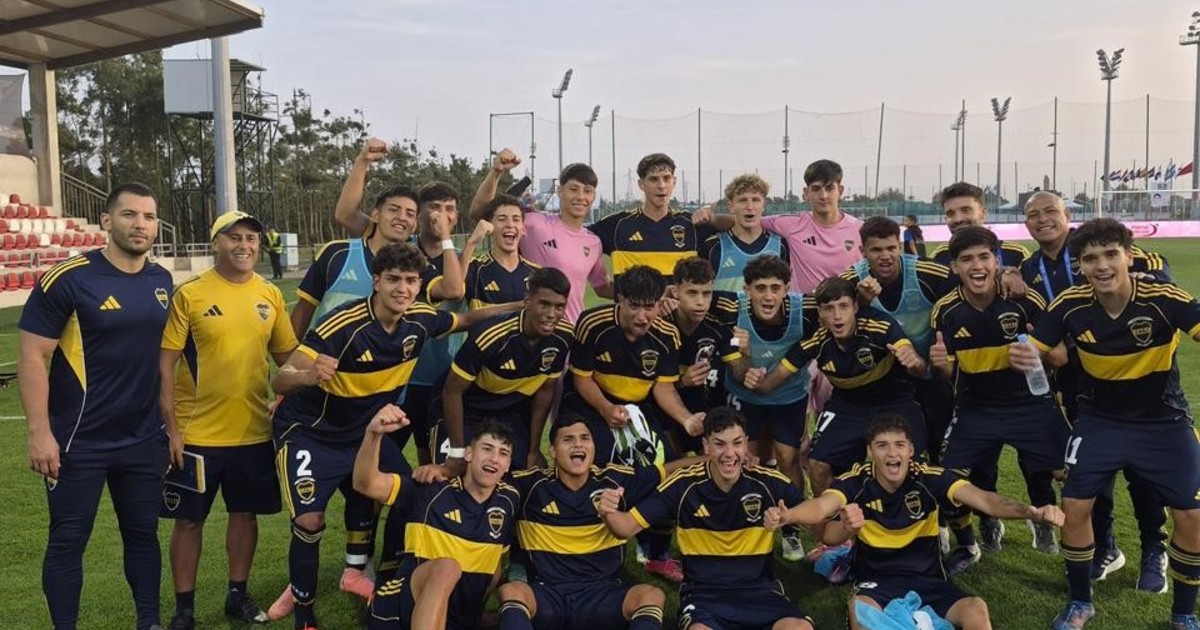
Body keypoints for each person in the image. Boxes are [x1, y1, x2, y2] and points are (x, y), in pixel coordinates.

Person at [268, 242, 513, 629]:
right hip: (311, 433)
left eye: (411, 281)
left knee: (410, 494)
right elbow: (280, 378)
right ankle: (304, 615)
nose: (402, 288)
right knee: (310, 521)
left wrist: (520, 307)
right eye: (394, 279)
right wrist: (308, 375)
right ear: (376, 282)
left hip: (362, 433)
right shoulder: (341, 325)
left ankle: (386, 580)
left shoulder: (420, 319)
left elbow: (465, 320)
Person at [1013, 218, 1200, 630]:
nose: (1101, 266)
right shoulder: (1070, 303)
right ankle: (1080, 602)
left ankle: (1184, 613)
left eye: (1111, 254)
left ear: (1129, 256)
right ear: (1079, 265)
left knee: (1192, 515)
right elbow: (1037, 347)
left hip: (1164, 421)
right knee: (1075, 506)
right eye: (1090, 258)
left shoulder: (1162, 297)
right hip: (1100, 421)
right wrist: (1027, 356)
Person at [18, 182, 173, 630]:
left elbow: (166, 361)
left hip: (142, 438)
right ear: (106, 221)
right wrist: (40, 432)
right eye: (129, 214)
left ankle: (149, 622)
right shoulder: (68, 278)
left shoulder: (162, 280)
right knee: (68, 541)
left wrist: (169, 426)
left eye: (148, 216)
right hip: (77, 442)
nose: (140, 224)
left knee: (143, 535)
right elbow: (32, 355)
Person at [764, 414, 1065, 630]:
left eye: (899, 445)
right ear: (870, 452)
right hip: (878, 582)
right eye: (882, 445)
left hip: (929, 580)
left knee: (976, 609)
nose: (892, 453)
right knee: (859, 610)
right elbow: (821, 507)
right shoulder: (856, 481)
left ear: (910, 450)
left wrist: (1032, 512)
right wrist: (789, 516)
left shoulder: (930, 478)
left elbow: (985, 500)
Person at [1020, 191, 1171, 586]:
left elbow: (1155, 266)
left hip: (1131, 375)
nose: (1043, 219)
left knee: (1141, 468)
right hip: (1076, 382)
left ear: (1067, 214)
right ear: (1026, 223)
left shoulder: (1097, 248)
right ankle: (1106, 547)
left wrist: (1149, 280)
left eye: (1050, 211)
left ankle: (1154, 549)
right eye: (1033, 215)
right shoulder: (1029, 267)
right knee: (1090, 469)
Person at [158, 211, 299, 629]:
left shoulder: (269, 294)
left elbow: (287, 358)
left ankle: (237, 596)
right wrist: (171, 429)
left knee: (245, 516)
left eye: (251, 238)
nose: (244, 245)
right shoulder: (190, 294)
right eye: (234, 237)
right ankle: (184, 609)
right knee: (188, 521)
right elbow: (164, 366)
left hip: (253, 432)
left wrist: (311, 375)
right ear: (216, 242)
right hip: (196, 434)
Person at [596, 406, 815, 630]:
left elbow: (818, 519)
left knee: (799, 628)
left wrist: (790, 516)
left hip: (760, 592)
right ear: (706, 446)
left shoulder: (767, 482)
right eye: (719, 444)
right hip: (705, 597)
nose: (729, 453)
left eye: (737, 443)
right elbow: (625, 528)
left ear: (746, 444)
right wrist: (608, 510)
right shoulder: (683, 485)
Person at [930, 226, 1070, 575]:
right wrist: (940, 364)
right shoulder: (945, 310)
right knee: (948, 480)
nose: (976, 266)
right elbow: (949, 372)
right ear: (955, 267)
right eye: (966, 259)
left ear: (997, 261)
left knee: (1074, 477)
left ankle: (1087, 551)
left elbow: (1061, 357)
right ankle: (969, 544)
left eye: (984, 257)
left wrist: (1037, 354)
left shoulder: (1025, 300)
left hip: (1031, 405)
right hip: (976, 408)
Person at [497, 414, 708, 630]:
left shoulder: (615, 480)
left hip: (603, 596)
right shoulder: (530, 485)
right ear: (553, 451)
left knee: (650, 595)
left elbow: (671, 471)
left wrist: (715, 460)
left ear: (593, 446)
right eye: (568, 439)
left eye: (585, 438)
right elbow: (487, 482)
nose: (578, 444)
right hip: (548, 595)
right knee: (512, 591)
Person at [563, 264, 705, 582]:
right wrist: (605, 408)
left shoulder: (667, 334)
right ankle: (586, 550)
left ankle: (657, 554)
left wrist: (686, 420)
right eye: (634, 306)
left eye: (650, 307)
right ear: (620, 300)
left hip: (639, 409)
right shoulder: (592, 323)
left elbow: (663, 388)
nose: (643, 316)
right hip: (589, 404)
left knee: (668, 471)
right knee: (589, 466)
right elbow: (582, 379)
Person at [747, 276, 928, 501]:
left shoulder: (880, 325)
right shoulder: (815, 341)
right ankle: (834, 522)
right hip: (847, 405)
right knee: (818, 464)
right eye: (829, 308)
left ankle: (909, 515)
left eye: (843, 306)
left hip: (894, 400)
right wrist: (751, 373)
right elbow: (769, 384)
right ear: (820, 313)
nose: (837, 315)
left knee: (913, 463)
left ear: (855, 307)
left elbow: (918, 367)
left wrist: (914, 362)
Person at [929, 181, 1034, 554]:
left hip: (1013, 376)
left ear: (983, 212)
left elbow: (1033, 303)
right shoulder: (939, 258)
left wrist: (1012, 272)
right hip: (959, 373)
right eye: (951, 213)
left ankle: (991, 516)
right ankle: (946, 523)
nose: (958, 218)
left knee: (997, 458)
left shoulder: (1016, 254)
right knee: (947, 451)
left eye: (965, 210)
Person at [352, 408, 519, 630]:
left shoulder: (508, 501)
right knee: (447, 568)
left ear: (508, 465)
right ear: (468, 454)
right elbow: (365, 483)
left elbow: (495, 569)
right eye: (486, 448)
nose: (494, 459)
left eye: (503, 453)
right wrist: (373, 434)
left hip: (457, 619)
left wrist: (477, 615)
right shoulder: (431, 488)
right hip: (398, 611)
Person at [721, 254, 818, 561]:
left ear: (787, 289)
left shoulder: (806, 310)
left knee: (789, 460)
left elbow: (844, 297)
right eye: (760, 288)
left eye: (775, 288)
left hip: (788, 397)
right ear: (747, 289)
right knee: (743, 460)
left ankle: (790, 528)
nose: (768, 296)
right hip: (743, 398)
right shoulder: (730, 309)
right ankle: (746, 524)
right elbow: (693, 297)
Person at [433, 267, 575, 471]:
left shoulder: (564, 336)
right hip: (464, 408)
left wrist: (533, 450)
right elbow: (452, 390)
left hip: (507, 414)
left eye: (559, 307)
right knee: (454, 474)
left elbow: (546, 391)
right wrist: (457, 452)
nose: (551, 314)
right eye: (544, 304)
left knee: (521, 472)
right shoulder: (491, 335)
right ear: (527, 300)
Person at [469, 149, 612, 323]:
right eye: (573, 189)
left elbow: (602, 287)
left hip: (571, 332)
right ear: (560, 191)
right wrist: (496, 172)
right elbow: (480, 213)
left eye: (587, 191)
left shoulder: (593, 242)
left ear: (593, 196)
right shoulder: (534, 223)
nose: (581, 197)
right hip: (533, 328)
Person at [588, 153, 717, 282]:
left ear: (674, 182)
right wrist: (601, 284)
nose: (661, 185)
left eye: (667, 178)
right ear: (641, 184)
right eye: (654, 179)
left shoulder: (692, 223)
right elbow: (578, 237)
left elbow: (730, 227)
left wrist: (713, 217)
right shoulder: (618, 225)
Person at [663, 257, 746, 456]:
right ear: (675, 292)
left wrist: (746, 354)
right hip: (664, 409)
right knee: (671, 461)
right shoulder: (661, 324)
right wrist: (683, 381)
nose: (700, 302)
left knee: (715, 458)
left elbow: (739, 374)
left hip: (705, 406)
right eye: (692, 293)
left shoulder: (718, 325)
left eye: (706, 293)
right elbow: (649, 384)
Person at [701, 174, 789, 292]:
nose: (750, 207)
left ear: (763, 205)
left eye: (755, 200)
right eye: (743, 200)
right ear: (731, 206)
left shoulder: (780, 245)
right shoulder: (713, 246)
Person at [461, 194, 540, 309]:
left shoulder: (537, 273)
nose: (510, 225)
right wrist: (471, 243)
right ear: (490, 227)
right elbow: (454, 291)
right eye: (502, 219)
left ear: (523, 228)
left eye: (516, 219)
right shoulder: (475, 269)